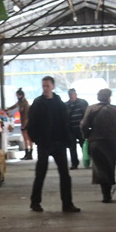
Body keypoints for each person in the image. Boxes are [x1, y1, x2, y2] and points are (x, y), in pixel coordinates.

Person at [27, 76, 80, 213]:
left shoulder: (59, 103)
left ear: (53, 86)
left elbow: (65, 121)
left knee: (65, 175)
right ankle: (35, 202)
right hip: (44, 143)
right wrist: (37, 139)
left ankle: (67, 204)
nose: (45, 88)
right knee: (40, 174)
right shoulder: (38, 103)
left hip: (59, 143)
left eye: (47, 86)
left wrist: (67, 139)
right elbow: (31, 123)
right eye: (43, 86)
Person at [80, 89, 116, 203]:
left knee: (100, 167)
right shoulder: (115, 109)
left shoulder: (91, 108)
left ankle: (105, 193)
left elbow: (84, 124)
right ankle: (107, 191)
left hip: (96, 141)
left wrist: (86, 135)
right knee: (110, 166)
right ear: (108, 98)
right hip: (112, 142)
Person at [65, 88, 88, 169]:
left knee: (84, 146)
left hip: (81, 129)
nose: (71, 96)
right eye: (70, 94)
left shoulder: (83, 103)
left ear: (76, 94)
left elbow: (87, 114)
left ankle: (86, 161)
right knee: (72, 147)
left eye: (73, 94)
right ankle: (74, 163)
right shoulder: (66, 105)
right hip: (71, 129)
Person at [6, 88, 32, 159]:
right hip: (23, 122)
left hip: (26, 122)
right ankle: (27, 154)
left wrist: (24, 124)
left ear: (21, 95)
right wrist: (7, 109)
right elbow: (14, 106)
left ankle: (30, 154)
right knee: (25, 139)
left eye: (17, 95)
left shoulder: (26, 104)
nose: (17, 97)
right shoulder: (20, 103)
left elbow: (26, 115)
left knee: (28, 138)